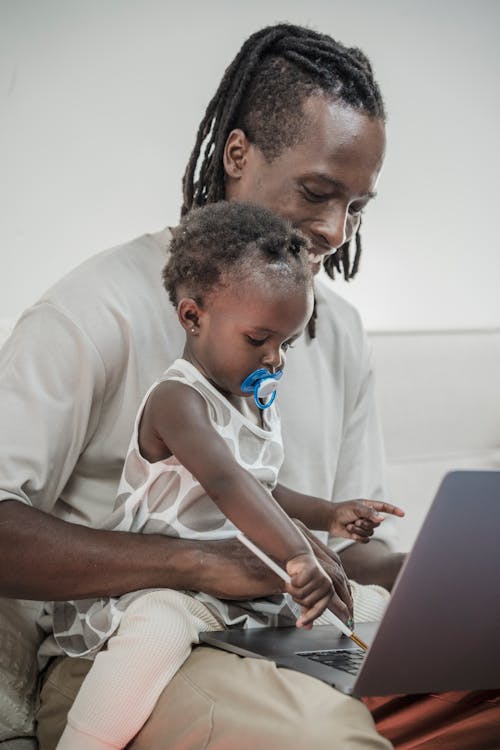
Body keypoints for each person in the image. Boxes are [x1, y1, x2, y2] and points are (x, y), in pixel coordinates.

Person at [1, 21, 498, 750]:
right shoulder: (94, 309)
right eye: (318, 191)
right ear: (238, 154)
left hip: (280, 635)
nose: (334, 229)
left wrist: (434, 579)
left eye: (356, 207)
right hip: (133, 652)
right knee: (329, 742)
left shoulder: (339, 330)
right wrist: (201, 563)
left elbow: (339, 547)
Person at [53, 201, 403, 750]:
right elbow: (227, 484)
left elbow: (265, 489)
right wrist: (297, 553)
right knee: (157, 632)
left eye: (286, 344)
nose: (276, 360)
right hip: (164, 586)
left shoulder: (250, 403)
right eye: (258, 339)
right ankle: (85, 740)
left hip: (240, 589)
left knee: (373, 606)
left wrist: (326, 514)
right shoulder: (177, 401)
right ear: (193, 317)